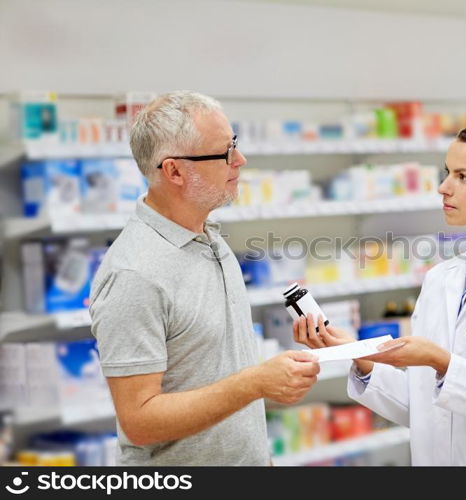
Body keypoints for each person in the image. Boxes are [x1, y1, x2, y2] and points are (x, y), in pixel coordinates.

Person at [294, 121, 466, 465]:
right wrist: (360, 357)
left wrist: (441, 362)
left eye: (463, 177)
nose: (444, 187)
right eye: (447, 173)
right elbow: (424, 408)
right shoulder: (442, 279)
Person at [90, 91, 320, 466]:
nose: (240, 160)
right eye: (224, 152)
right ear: (175, 171)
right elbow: (140, 421)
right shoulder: (135, 274)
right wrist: (254, 384)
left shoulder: (208, 237)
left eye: (235, 145)